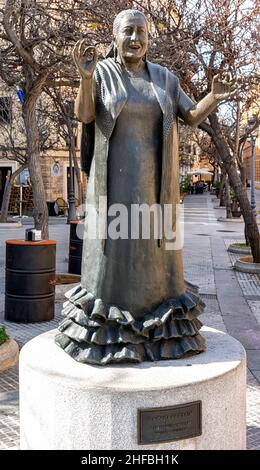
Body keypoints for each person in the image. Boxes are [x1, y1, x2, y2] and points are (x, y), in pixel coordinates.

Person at [56, 9, 236, 365]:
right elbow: (85, 115)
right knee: (115, 259)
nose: (135, 39)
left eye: (141, 32)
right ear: (115, 36)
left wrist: (213, 96)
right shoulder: (104, 73)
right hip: (115, 186)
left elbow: (192, 116)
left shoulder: (165, 79)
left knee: (157, 262)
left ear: (149, 39)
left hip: (157, 187)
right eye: (128, 32)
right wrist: (85, 78)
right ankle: (111, 334)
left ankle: (160, 331)